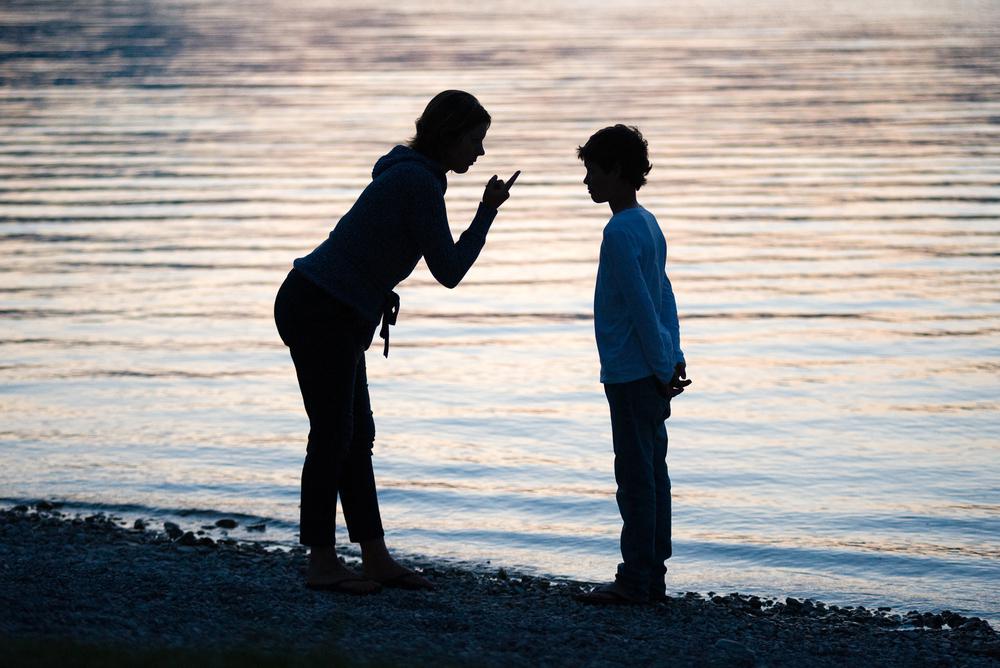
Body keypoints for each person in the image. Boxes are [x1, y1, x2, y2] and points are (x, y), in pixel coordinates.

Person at [274, 90, 520, 594]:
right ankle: (322, 562)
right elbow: (449, 271)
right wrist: (487, 212)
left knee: (354, 434)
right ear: (448, 136)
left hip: (333, 308)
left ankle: (376, 556)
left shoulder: (411, 174)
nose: (479, 152)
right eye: (475, 140)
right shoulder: (417, 183)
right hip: (321, 308)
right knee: (333, 435)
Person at [574, 124, 690, 605]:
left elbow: (646, 303)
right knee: (652, 472)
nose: (587, 182)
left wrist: (663, 364)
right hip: (651, 367)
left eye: (592, 171)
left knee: (635, 477)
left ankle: (637, 578)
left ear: (617, 171)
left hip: (631, 371)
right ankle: (652, 573)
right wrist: (674, 354)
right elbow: (666, 297)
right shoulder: (646, 222)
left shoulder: (620, 231)